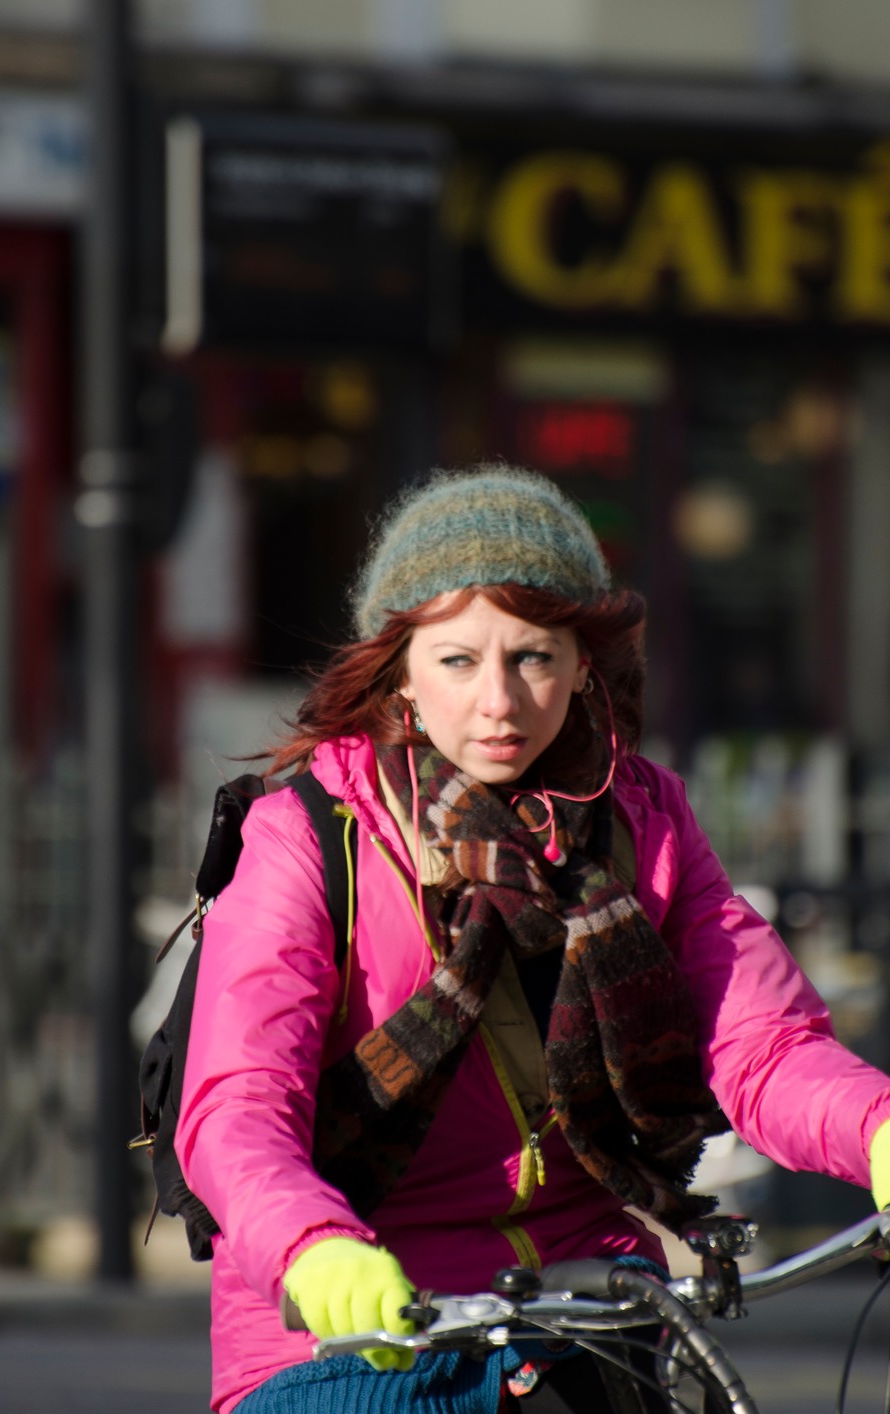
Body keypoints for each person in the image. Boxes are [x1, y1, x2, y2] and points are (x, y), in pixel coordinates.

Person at [176, 465, 890, 1414]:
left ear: (583, 661)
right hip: (352, 1328)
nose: (500, 702)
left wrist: (878, 1128)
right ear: (400, 672)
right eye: (457, 660)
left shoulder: (643, 820)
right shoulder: (309, 836)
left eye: (533, 656)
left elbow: (760, 1044)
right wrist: (314, 1246)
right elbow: (238, 1103)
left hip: (584, 1304)